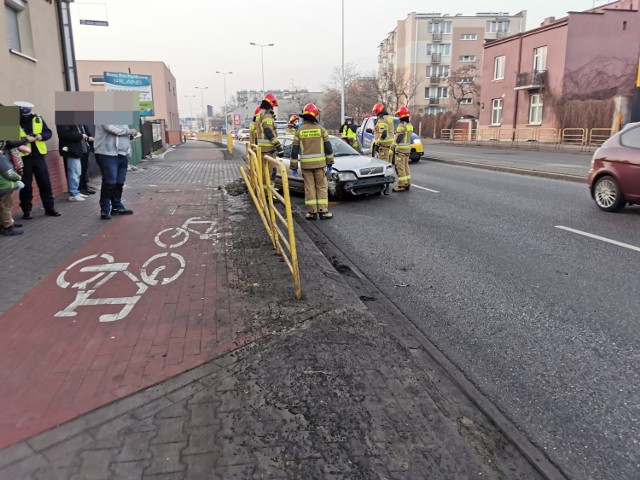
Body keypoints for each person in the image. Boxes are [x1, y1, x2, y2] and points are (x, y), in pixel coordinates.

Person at [15, 101, 60, 219]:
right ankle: (26, 211)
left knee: (45, 183)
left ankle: (50, 208)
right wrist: (25, 139)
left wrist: (41, 136)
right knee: (26, 186)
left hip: (39, 156)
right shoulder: (10, 120)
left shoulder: (37, 119)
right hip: (23, 158)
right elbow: (8, 139)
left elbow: (48, 132)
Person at [290, 103, 334, 220]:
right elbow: (328, 148)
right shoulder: (321, 130)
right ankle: (323, 211)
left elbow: (294, 151)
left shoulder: (299, 131)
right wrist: (330, 163)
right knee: (321, 187)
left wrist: (294, 166)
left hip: (306, 166)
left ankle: (312, 212)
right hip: (320, 165)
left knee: (309, 188)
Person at [93, 124, 138, 219]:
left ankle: (117, 207)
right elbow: (112, 129)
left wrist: (128, 151)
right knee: (110, 181)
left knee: (119, 182)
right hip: (107, 153)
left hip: (122, 154)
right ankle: (105, 209)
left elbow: (125, 136)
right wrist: (130, 131)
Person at [56, 124, 92, 202]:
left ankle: (76, 192)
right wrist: (80, 136)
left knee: (77, 171)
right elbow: (63, 134)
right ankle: (73, 194)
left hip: (77, 150)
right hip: (71, 150)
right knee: (74, 172)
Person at [0, 140, 25, 235]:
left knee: (2, 207)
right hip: (4, 187)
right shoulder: (1, 158)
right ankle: (8, 227)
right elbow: (8, 174)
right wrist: (18, 177)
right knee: (6, 207)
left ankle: (3, 225)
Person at [390, 106, 413, 192]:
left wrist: (392, 148)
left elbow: (398, 137)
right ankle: (407, 183)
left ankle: (402, 185)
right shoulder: (409, 125)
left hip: (400, 150)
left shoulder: (401, 125)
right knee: (406, 166)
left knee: (400, 167)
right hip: (407, 149)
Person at [79, 125, 96, 196]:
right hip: (79, 149)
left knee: (85, 169)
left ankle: (85, 187)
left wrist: (89, 138)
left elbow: (86, 133)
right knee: (80, 170)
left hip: (86, 148)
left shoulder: (82, 124)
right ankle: (80, 189)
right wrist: (87, 138)